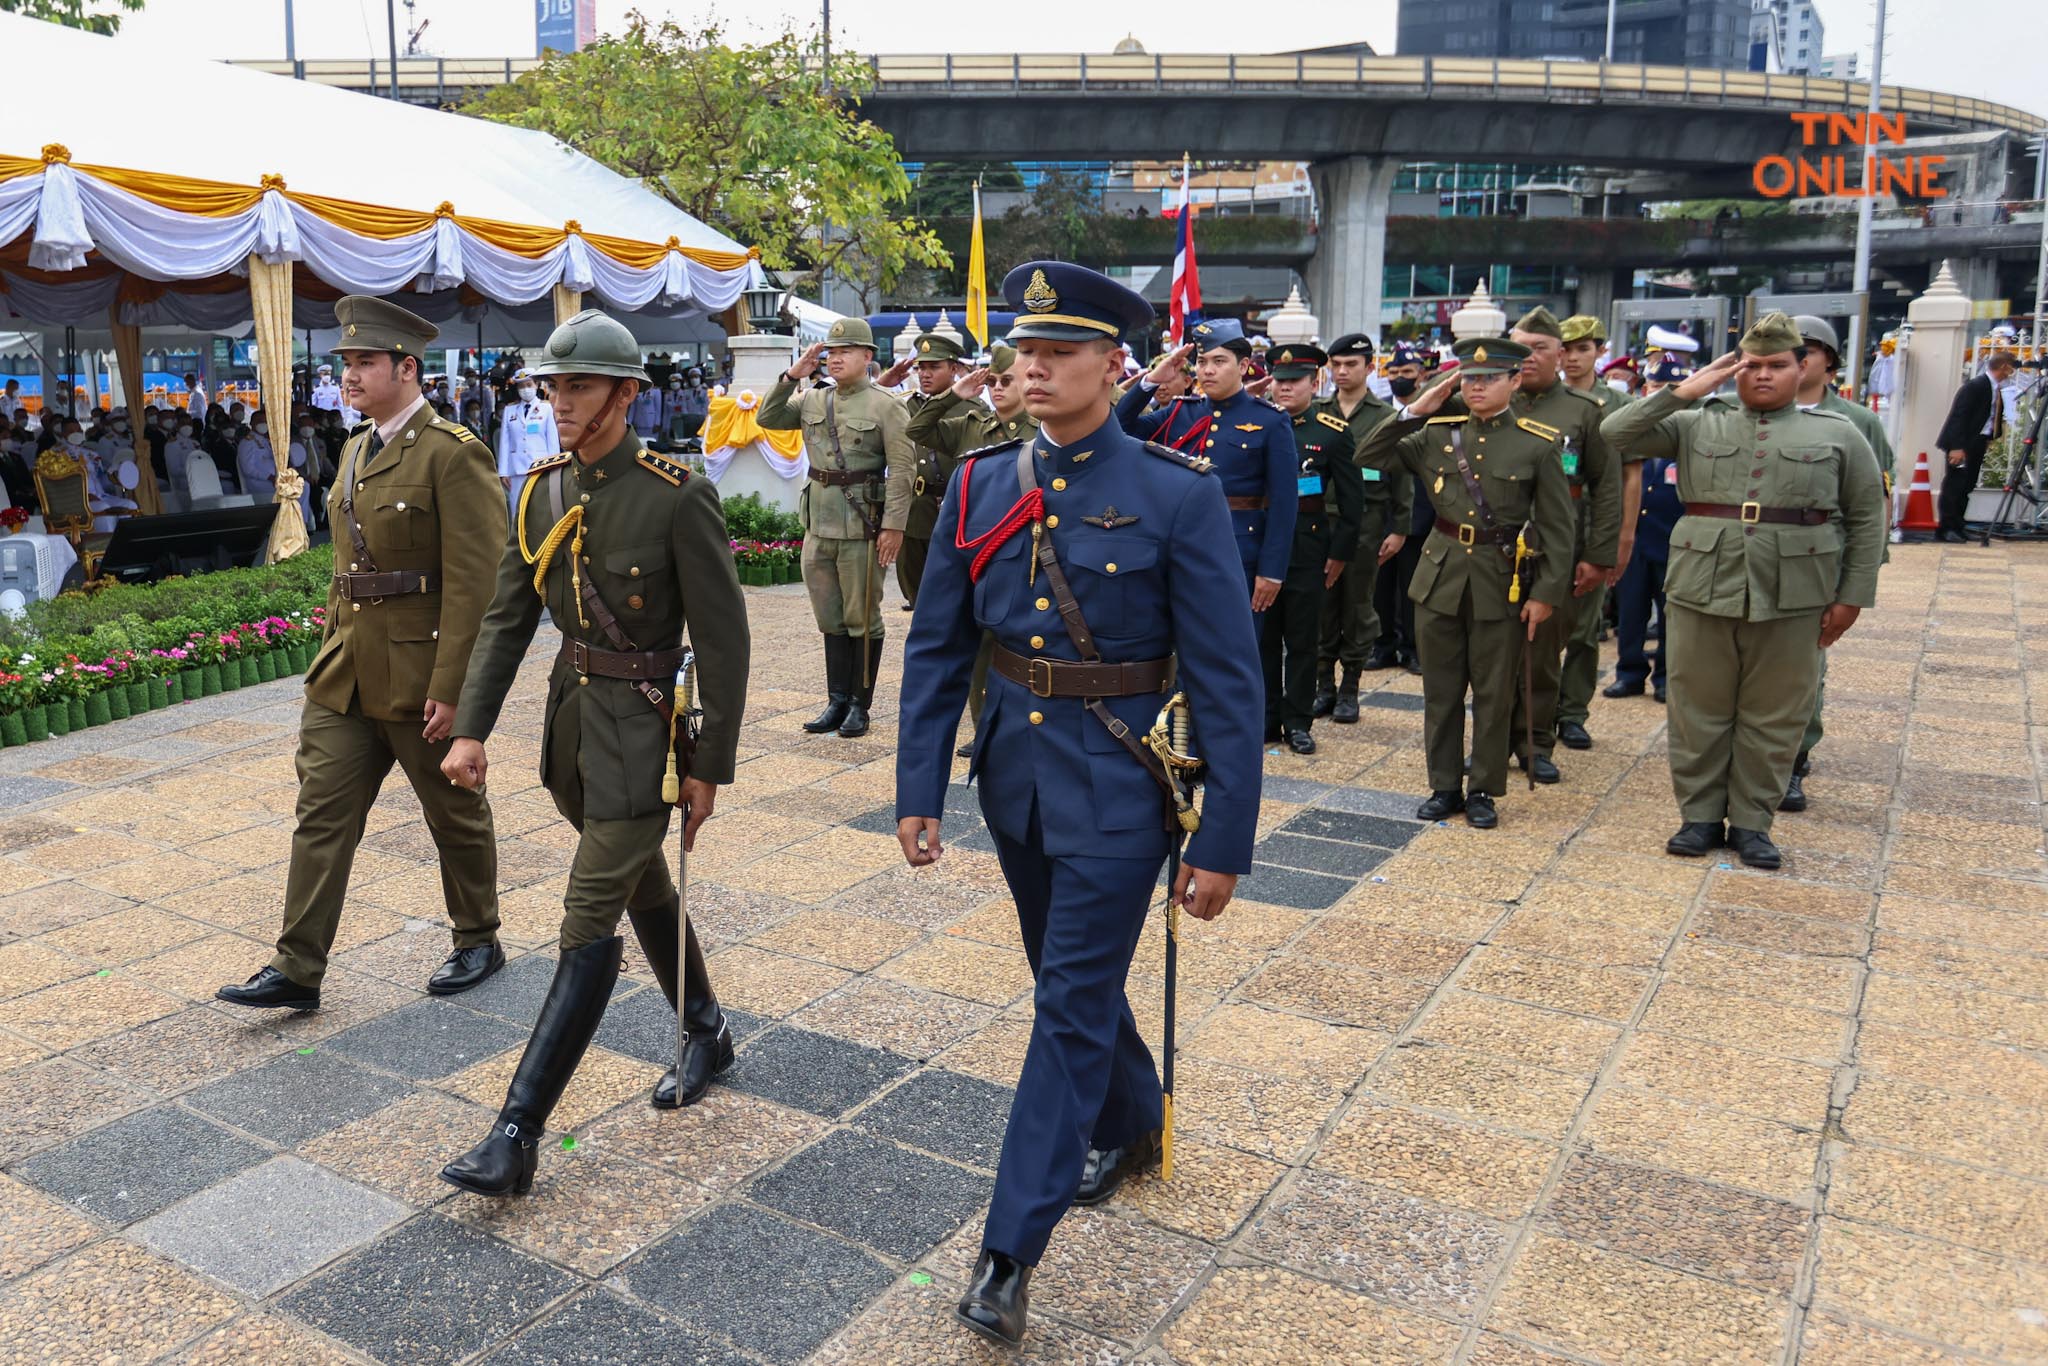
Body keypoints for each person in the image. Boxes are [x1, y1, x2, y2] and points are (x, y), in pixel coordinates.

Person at [894, 261, 1263, 1348]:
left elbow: (1229, 682)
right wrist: (918, 783)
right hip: (1013, 774)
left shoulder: (1175, 493)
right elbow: (937, 648)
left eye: (1059, 350)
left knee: (1062, 1006)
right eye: (1024, 349)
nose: (1034, 366)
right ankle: (1135, 1116)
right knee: (1068, 975)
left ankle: (1009, 1246)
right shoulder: (978, 483)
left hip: (1117, 784)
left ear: (1115, 363)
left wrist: (1224, 837)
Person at [438, 309, 750, 1196]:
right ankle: (707, 1028)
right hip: (573, 727)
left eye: (578, 387)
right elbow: (506, 620)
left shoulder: (675, 493)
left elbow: (724, 644)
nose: (561, 402)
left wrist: (708, 765)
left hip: (646, 737)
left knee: (586, 918)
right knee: (640, 881)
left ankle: (517, 1130)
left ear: (625, 394)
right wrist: (471, 728)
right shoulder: (537, 489)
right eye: (553, 386)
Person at [216, 297, 508, 1011]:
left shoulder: (452, 454)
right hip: (346, 671)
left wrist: (457, 689)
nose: (348, 375)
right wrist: (329, 649)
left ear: (408, 369)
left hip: (420, 672)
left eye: (364, 363)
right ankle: (297, 967)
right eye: (345, 363)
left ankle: (478, 937)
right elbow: (347, 572)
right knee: (322, 812)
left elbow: (479, 586)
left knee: (453, 810)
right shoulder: (354, 448)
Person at [1600, 313, 1885, 870]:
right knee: (1696, 705)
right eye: (1750, 365)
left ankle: (1754, 822)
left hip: (1796, 590)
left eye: (1776, 365)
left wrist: (1852, 595)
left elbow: (1868, 517)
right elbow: (1615, 433)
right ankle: (1700, 816)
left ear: (1802, 368)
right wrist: (1686, 390)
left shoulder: (1837, 431)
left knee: (1774, 712)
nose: (1761, 375)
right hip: (1702, 582)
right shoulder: (1695, 420)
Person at [1354, 337, 1575, 829]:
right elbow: (1369, 453)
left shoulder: (1537, 444)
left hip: (1503, 580)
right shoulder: (1436, 434)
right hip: (1440, 576)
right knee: (1442, 689)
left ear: (1515, 382)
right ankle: (1444, 785)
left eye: (1490, 378)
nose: (1477, 388)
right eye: (1470, 379)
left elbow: (1560, 530)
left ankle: (1483, 789)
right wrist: (1418, 406)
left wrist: (1545, 595)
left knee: (1495, 693)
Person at [757, 317, 914, 739]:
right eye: (831, 352)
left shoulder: (886, 404)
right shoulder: (812, 399)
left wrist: (894, 526)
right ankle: (836, 700)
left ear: (867, 356)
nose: (836, 358)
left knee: (862, 616)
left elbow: (901, 469)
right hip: (819, 523)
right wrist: (792, 375)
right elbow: (767, 418)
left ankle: (860, 706)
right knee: (830, 617)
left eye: (846, 351)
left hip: (862, 524)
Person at [1114, 317, 1297, 620]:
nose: (1207, 370)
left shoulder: (1270, 420)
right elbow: (1120, 428)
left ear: (1243, 366)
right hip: (1179, 544)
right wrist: (1151, 380)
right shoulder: (1180, 412)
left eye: (1219, 361)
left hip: (1239, 549)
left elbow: (1284, 501)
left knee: (1236, 644)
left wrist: (1272, 571)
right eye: (1201, 361)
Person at [1785, 314, 1895, 813]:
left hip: (1822, 559)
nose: (1799, 357)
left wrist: (1858, 578)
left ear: (1829, 359)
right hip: (1761, 557)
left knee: (1806, 667)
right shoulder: (1758, 410)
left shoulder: (1858, 422)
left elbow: (1874, 503)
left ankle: (1792, 759)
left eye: (1807, 348)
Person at [1264, 343, 1365, 754]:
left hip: (1308, 547)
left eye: (1295, 381)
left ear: (1313, 382)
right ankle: (1268, 718)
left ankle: (1298, 720)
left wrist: (1339, 554)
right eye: (1279, 380)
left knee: (1303, 640)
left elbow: (1353, 499)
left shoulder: (1331, 430)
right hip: (1261, 543)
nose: (1285, 389)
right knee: (1264, 640)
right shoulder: (1258, 423)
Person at [1551, 314, 1641, 755]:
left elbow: (1629, 475)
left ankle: (1572, 714)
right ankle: (1539, 708)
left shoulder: (1617, 405)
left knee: (1586, 629)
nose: (1571, 358)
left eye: (1582, 349)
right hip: (1551, 524)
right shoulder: (1543, 400)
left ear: (1600, 352)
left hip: (1595, 523)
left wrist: (1623, 538)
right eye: (1565, 349)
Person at [1311, 333, 1405, 723]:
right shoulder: (1318, 410)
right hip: (1320, 520)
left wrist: (1399, 527)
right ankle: (1323, 687)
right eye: (1337, 364)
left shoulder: (1385, 416)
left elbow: (1402, 474)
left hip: (1367, 522)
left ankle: (1350, 686)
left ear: (1370, 367)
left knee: (1358, 605)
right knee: (1321, 606)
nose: (1343, 371)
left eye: (1352, 364)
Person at [1603, 433, 1685, 704]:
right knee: (1631, 614)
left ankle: (1664, 679)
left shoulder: (1684, 448)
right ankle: (1629, 674)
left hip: (1671, 546)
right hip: (1634, 547)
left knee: (1669, 619)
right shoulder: (1637, 452)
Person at [894, 330, 971, 610]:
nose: (925, 374)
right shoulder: (907, 404)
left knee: (955, 593)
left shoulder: (974, 407)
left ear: (954, 368)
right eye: (921, 367)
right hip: (917, 508)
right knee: (915, 589)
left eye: (934, 367)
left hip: (956, 508)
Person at [1371, 341, 1433, 676]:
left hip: (1421, 515)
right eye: (1393, 373)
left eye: (1407, 372)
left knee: (1412, 589)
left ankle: (1412, 648)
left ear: (1421, 375)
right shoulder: (1382, 412)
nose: (1400, 378)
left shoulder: (1433, 414)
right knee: (1381, 587)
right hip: (1381, 512)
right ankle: (1383, 645)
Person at [1934, 350, 2014, 542]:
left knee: (1967, 485)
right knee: (1955, 485)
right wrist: (1956, 446)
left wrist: (1988, 438)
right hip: (1962, 443)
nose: (2012, 371)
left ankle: (1959, 524)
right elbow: (1959, 417)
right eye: (2011, 366)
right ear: (2003, 366)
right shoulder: (1976, 386)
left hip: (1977, 441)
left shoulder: (1994, 388)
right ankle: (1947, 527)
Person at [496, 369, 559, 525]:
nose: (525, 389)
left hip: (540, 467)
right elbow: (505, 441)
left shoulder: (546, 408)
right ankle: (517, 545)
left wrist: (554, 467)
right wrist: (503, 471)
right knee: (517, 511)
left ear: (536, 385)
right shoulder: (510, 410)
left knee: (540, 508)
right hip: (516, 469)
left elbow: (552, 440)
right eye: (521, 386)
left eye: (528, 385)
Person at [237, 410, 278, 503]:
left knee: (304, 486)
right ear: (251, 423)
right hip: (259, 483)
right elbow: (248, 469)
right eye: (259, 421)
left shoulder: (265, 441)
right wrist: (269, 477)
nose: (263, 424)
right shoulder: (247, 442)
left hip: (274, 480)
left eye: (265, 421)